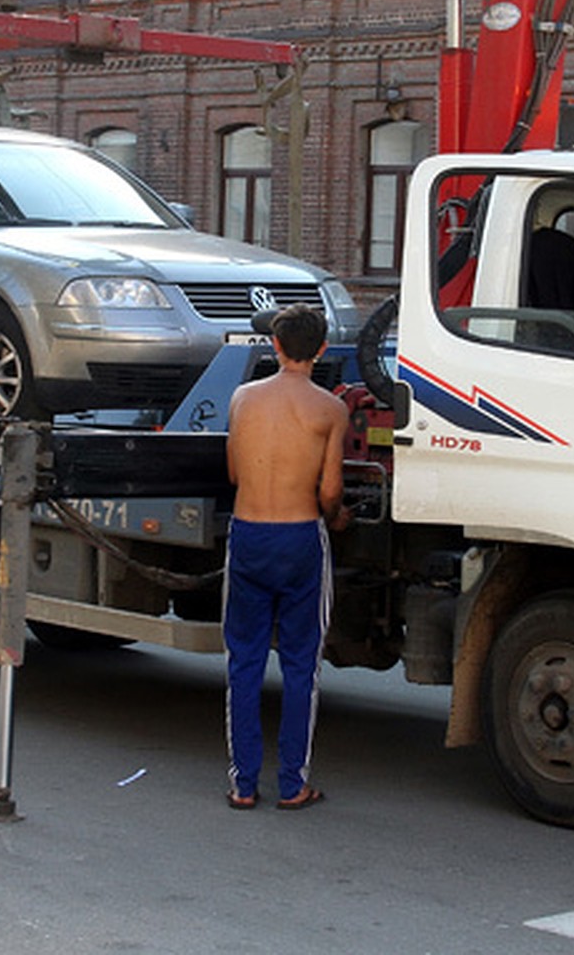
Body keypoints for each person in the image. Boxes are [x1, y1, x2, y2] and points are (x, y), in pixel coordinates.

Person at [222, 303, 349, 810]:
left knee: (244, 661)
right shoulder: (330, 410)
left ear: (274, 346)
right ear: (321, 349)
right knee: (301, 664)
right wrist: (338, 518)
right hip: (300, 538)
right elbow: (330, 491)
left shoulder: (243, 398)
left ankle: (243, 784)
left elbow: (234, 475)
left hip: (248, 533)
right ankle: (293, 783)